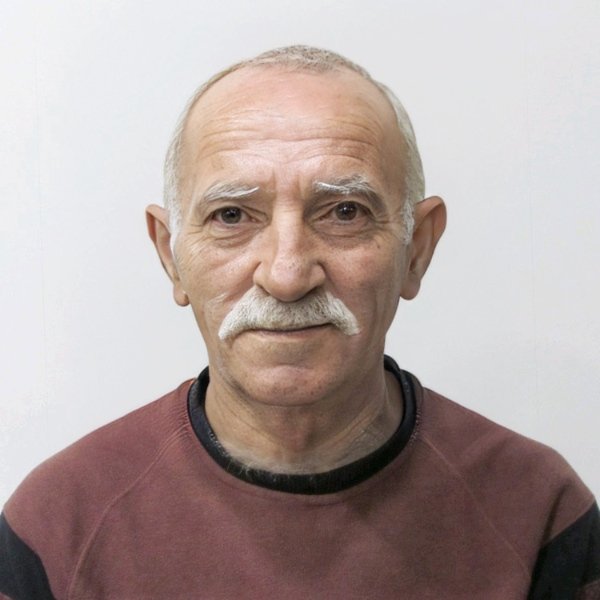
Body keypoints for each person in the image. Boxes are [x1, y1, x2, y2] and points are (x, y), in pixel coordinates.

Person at [0, 45, 598, 600]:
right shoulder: (56, 527)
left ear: (416, 249)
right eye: (232, 215)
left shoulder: (538, 513)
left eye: (344, 212)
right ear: (170, 255)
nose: (287, 275)